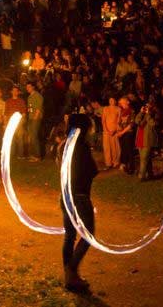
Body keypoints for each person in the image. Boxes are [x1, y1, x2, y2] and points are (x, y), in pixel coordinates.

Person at [61, 114, 98, 293]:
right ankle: (71, 271)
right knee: (87, 235)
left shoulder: (65, 146)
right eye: (89, 127)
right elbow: (92, 171)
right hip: (80, 198)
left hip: (66, 197)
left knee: (69, 236)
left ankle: (70, 277)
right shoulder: (82, 148)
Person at [134, 101, 159, 181]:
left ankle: (141, 176)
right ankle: (150, 174)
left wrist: (148, 115)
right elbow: (136, 121)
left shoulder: (155, 114)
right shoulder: (143, 114)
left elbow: (153, 124)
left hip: (147, 139)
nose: (146, 107)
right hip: (140, 138)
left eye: (148, 106)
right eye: (146, 106)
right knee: (145, 159)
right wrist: (141, 112)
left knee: (144, 159)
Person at [5, 86, 27, 158]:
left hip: (18, 122)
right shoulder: (8, 101)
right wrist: (5, 123)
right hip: (10, 123)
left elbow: (24, 112)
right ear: (11, 92)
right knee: (12, 138)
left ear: (18, 92)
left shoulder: (21, 101)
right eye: (13, 91)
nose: (14, 92)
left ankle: (20, 155)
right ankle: (12, 154)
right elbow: (6, 113)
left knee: (20, 138)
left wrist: (21, 121)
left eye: (16, 91)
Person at [101, 97, 121, 169]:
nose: (111, 101)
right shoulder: (105, 108)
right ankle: (108, 163)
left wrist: (114, 130)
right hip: (106, 131)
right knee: (107, 147)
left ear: (115, 101)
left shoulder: (118, 109)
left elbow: (118, 121)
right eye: (110, 100)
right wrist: (106, 130)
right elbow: (103, 120)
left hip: (114, 131)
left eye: (113, 100)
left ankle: (115, 162)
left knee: (115, 147)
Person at [26, 82, 44, 162]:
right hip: (30, 118)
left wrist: (35, 118)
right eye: (27, 87)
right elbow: (30, 108)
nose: (27, 88)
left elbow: (38, 108)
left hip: (35, 119)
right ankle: (33, 155)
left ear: (33, 87)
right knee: (31, 137)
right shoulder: (29, 97)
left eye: (29, 87)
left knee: (34, 136)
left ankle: (38, 156)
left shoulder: (38, 96)